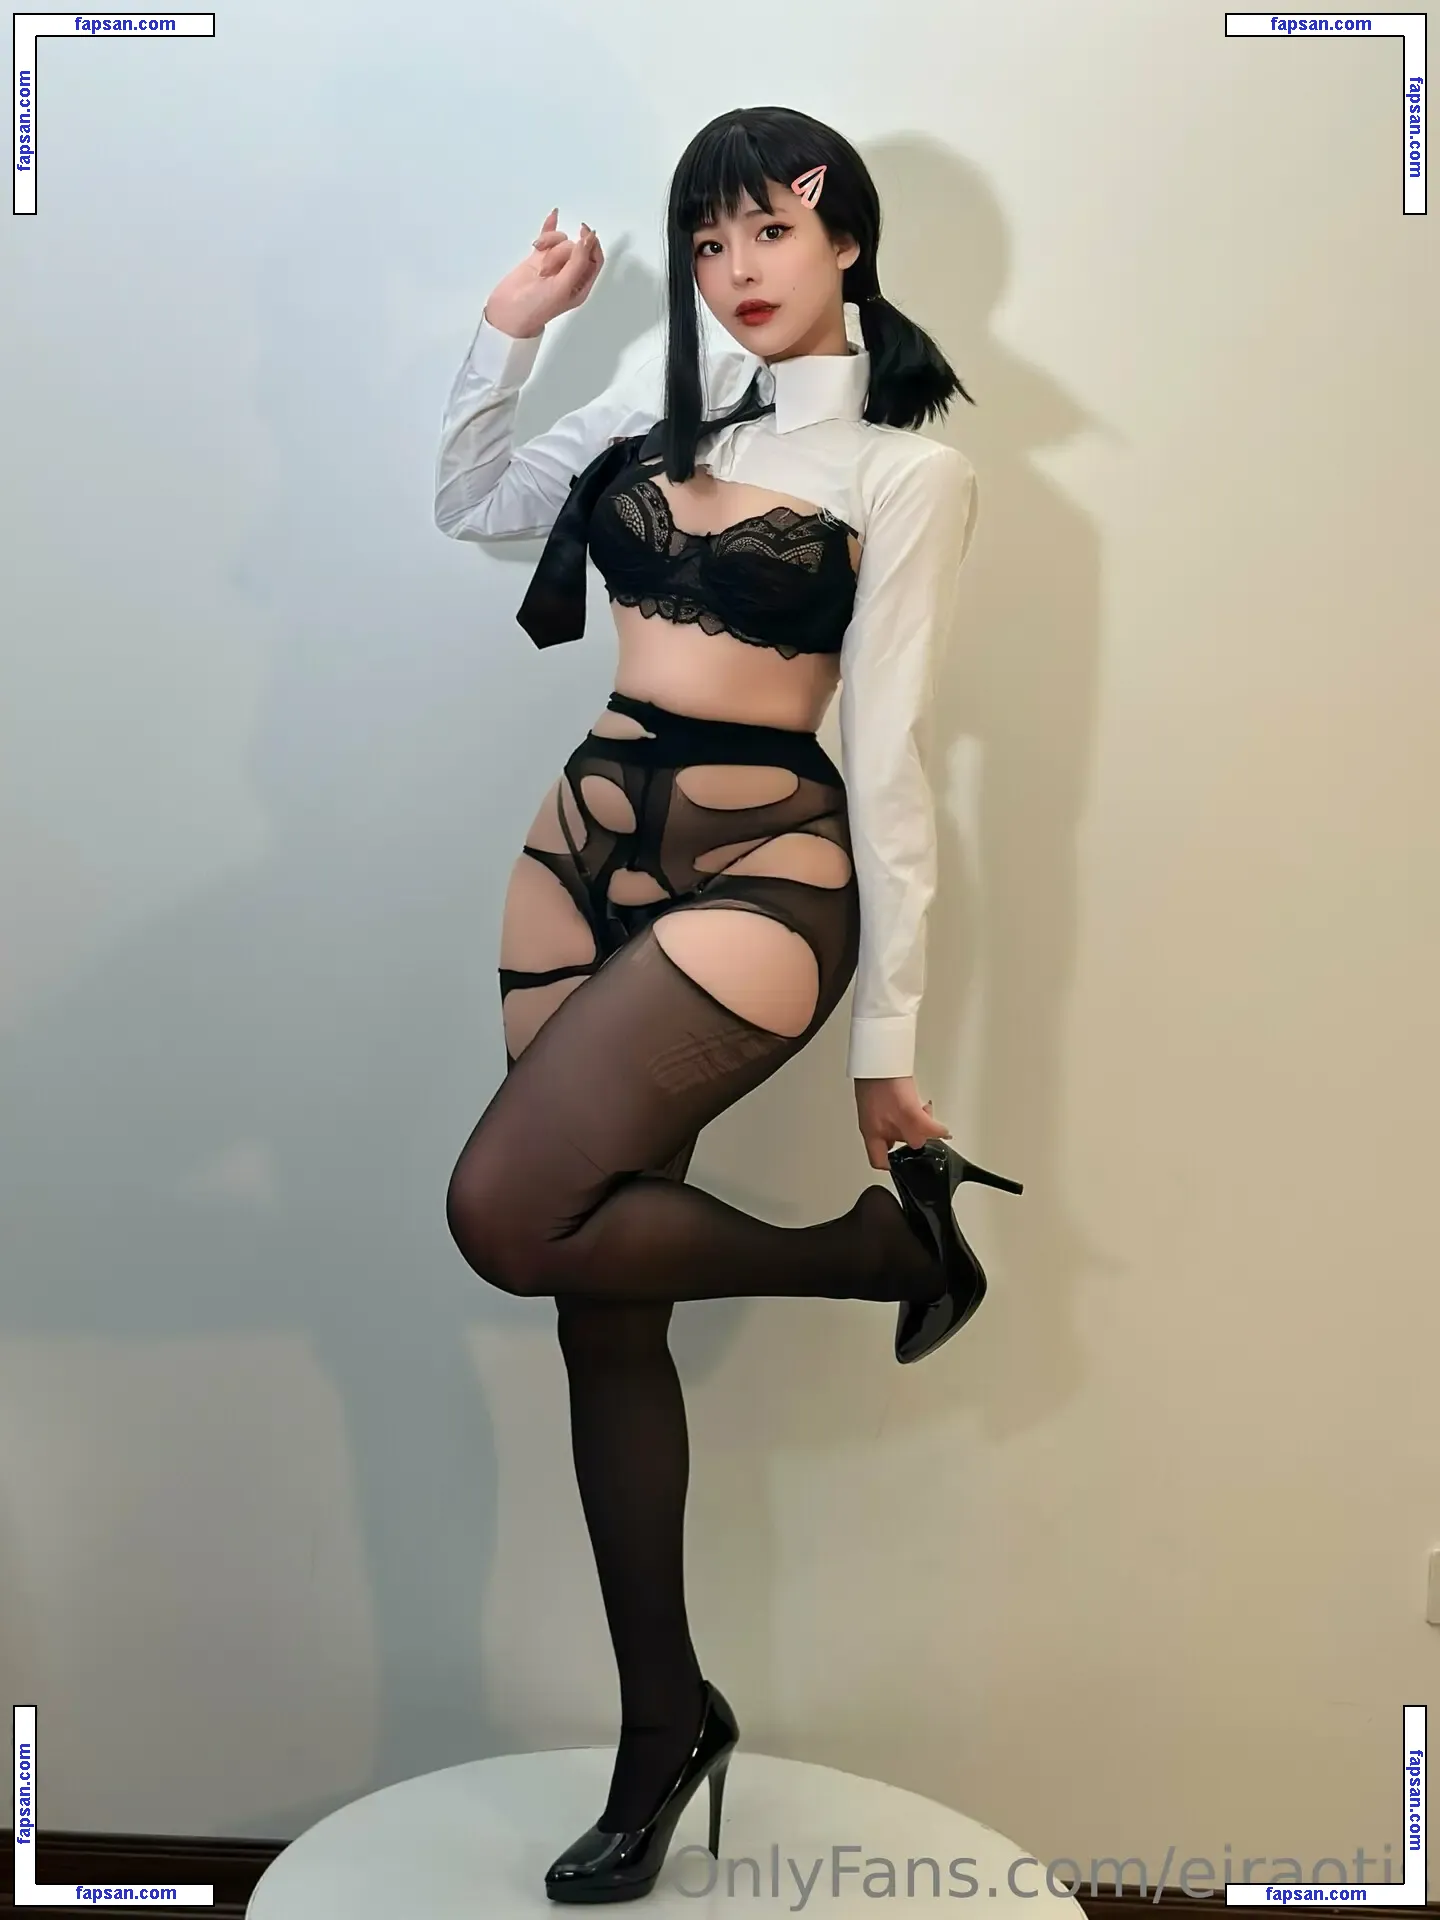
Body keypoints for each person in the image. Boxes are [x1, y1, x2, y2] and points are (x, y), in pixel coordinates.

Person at [433, 104, 1022, 1904]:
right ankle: (664, 1728)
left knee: (505, 1213)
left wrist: (886, 1051)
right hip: (579, 845)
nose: (735, 269)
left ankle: (884, 1252)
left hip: (768, 870)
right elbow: (475, 501)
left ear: (846, 238)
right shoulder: (658, 415)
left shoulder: (908, 476)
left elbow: (895, 766)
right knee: (595, 1307)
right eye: (707, 242)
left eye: (767, 229)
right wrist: (511, 327)